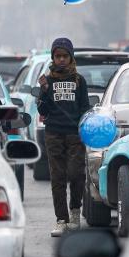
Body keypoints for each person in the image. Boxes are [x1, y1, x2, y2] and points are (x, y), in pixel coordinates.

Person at [37, 38, 90, 237]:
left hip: (75, 134)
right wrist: (43, 92)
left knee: (76, 174)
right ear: (53, 57)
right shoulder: (47, 81)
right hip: (53, 134)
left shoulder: (79, 80)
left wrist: (84, 128)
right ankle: (61, 219)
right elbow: (43, 110)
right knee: (57, 178)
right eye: (57, 56)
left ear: (70, 57)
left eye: (64, 56)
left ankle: (75, 211)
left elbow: (85, 108)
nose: (60, 60)